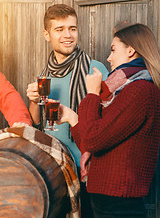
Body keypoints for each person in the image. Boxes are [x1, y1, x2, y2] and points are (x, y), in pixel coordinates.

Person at [57, 23, 160, 218]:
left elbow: (94, 140)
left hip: (119, 199)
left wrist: (92, 94)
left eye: (113, 50)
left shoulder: (140, 91)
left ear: (131, 50)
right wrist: (71, 118)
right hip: (109, 197)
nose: (108, 58)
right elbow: (93, 141)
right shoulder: (123, 91)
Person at [26, 3, 109, 217]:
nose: (68, 35)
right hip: (54, 169)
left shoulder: (95, 69)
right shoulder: (44, 75)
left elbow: (109, 123)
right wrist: (34, 101)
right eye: (59, 29)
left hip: (89, 169)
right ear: (47, 34)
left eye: (72, 28)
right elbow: (36, 123)